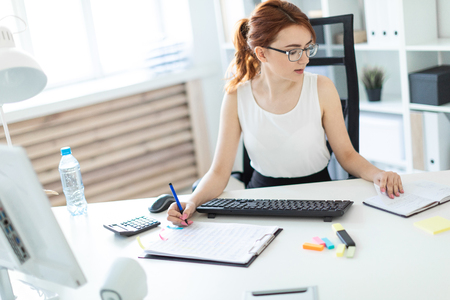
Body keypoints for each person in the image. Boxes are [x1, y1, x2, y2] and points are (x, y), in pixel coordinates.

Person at [168, 0, 403, 226]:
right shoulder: (236, 97)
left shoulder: (321, 88)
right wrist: (192, 201)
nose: (305, 59)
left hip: (319, 197)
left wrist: (378, 174)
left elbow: (347, 155)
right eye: (293, 51)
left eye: (308, 47)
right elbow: (219, 172)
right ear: (261, 53)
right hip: (260, 201)